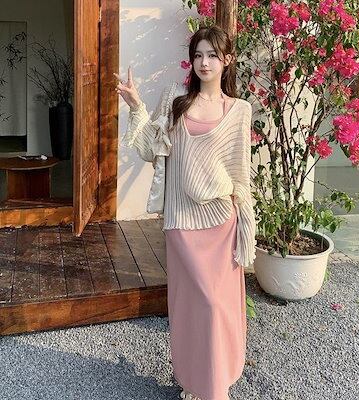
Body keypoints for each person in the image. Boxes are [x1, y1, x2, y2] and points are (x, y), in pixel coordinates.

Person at [114, 25, 256, 400]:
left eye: (212, 55)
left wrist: (246, 224)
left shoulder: (239, 110)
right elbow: (150, 148)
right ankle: (196, 381)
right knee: (192, 305)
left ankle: (215, 385)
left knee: (217, 305)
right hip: (181, 222)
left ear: (227, 60)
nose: (204, 62)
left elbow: (240, 172)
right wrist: (136, 105)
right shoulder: (176, 101)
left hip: (221, 222)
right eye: (198, 55)